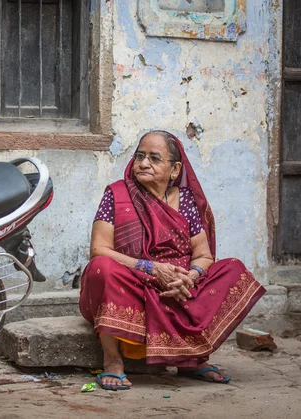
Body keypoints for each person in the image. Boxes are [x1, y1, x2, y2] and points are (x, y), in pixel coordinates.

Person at [79, 130, 265, 390]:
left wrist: (191, 277)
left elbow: (203, 255)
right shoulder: (117, 195)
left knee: (233, 268)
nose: (143, 163)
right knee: (101, 268)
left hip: (179, 288)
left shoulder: (186, 200)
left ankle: (192, 359)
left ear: (175, 169)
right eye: (139, 156)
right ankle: (112, 360)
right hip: (135, 285)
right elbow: (99, 250)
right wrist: (151, 268)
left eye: (154, 158)